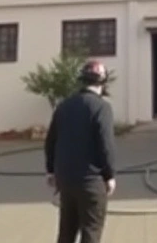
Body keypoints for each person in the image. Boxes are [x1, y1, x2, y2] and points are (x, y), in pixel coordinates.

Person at [45, 60, 118, 243]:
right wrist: (109, 175)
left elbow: (50, 141)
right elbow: (105, 144)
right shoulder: (101, 107)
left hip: (66, 180)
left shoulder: (64, 106)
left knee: (66, 233)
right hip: (91, 182)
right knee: (91, 231)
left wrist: (51, 171)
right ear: (103, 82)